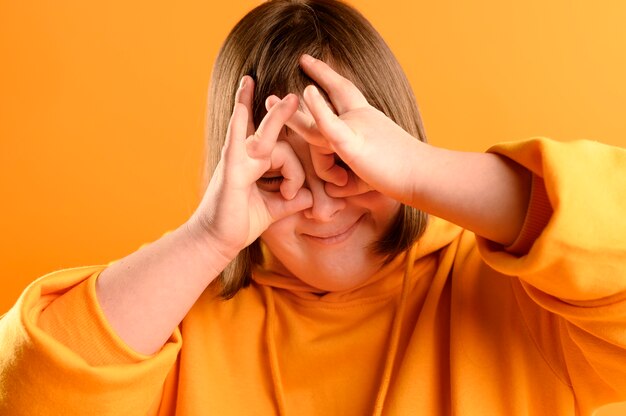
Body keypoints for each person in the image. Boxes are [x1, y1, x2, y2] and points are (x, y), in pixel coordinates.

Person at [1, 0, 626, 414]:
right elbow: (25, 393)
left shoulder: (522, 299)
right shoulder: (175, 326)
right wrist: (204, 242)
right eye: (278, 178)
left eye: (347, 167)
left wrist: (419, 171)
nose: (323, 209)